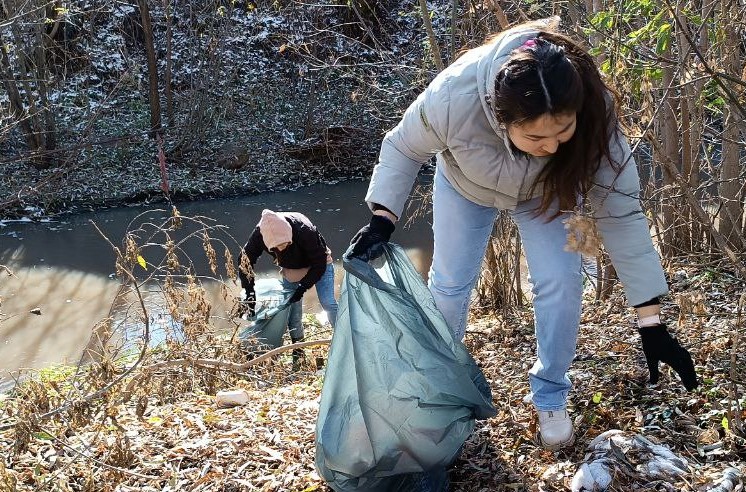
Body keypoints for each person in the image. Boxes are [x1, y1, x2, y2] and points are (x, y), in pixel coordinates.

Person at [349, 18, 698, 451]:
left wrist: (651, 322)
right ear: (502, 117)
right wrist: (383, 217)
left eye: (563, 131)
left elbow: (621, 212)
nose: (552, 146)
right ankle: (442, 389)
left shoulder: (594, 108)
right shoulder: (453, 96)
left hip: (547, 193)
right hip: (466, 185)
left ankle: (551, 394)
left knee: (562, 282)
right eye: (536, 135)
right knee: (451, 284)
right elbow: (402, 146)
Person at [238, 209, 338, 347]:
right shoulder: (260, 234)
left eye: (285, 244)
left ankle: (343, 338)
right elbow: (244, 261)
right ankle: (298, 346)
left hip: (319, 262)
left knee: (328, 303)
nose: (282, 248)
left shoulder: (304, 229)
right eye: (277, 247)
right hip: (291, 269)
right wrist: (250, 293)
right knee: (293, 311)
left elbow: (319, 263)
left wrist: (303, 287)